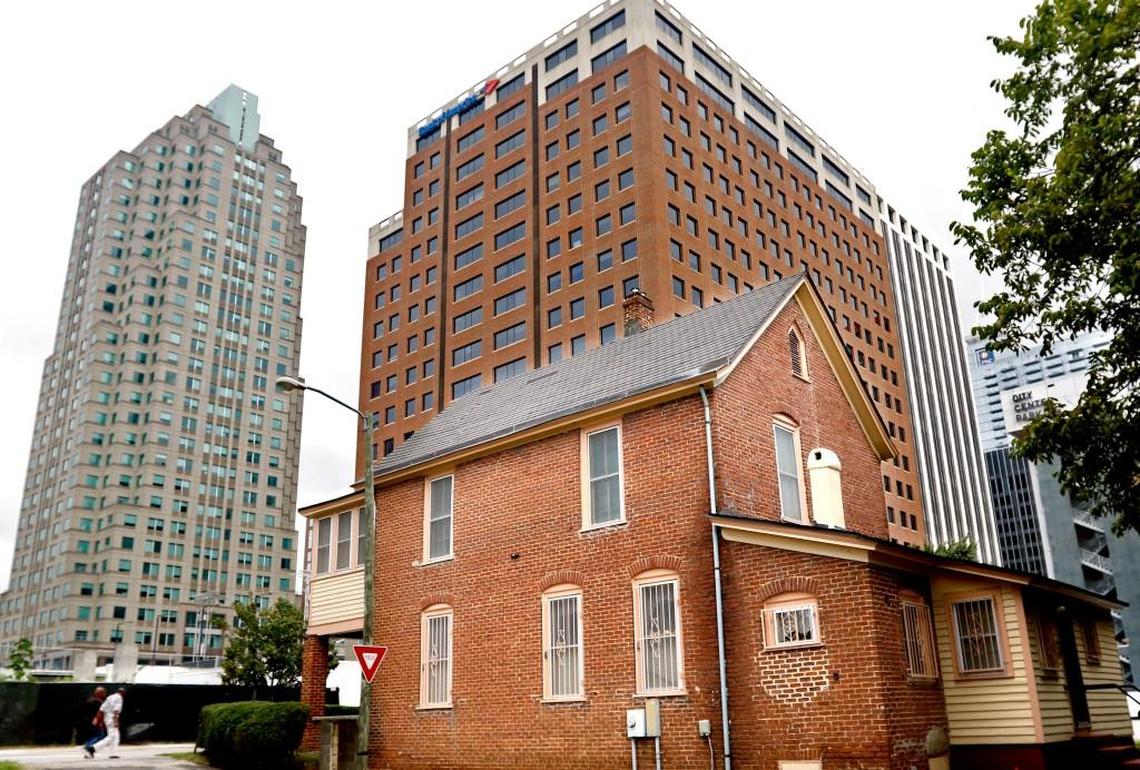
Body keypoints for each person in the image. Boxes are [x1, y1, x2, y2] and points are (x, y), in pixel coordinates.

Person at [88, 688, 124, 759]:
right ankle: (93, 749)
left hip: (107, 718)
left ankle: (113, 753)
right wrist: (116, 721)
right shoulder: (119, 698)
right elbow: (116, 711)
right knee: (111, 737)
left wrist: (97, 719)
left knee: (116, 736)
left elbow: (102, 709)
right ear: (123, 693)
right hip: (112, 718)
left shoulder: (110, 697)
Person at [81, 687, 106, 759]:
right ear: (99, 693)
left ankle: (87, 749)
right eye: (103, 692)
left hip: (87, 721)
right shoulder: (99, 702)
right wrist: (100, 722)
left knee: (93, 735)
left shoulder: (89, 700)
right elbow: (100, 713)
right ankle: (88, 747)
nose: (104, 694)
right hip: (95, 722)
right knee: (100, 735)